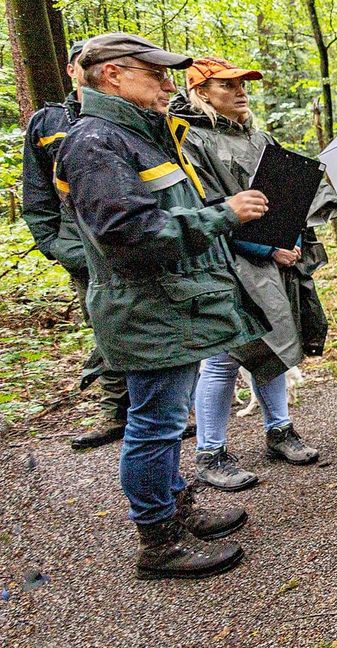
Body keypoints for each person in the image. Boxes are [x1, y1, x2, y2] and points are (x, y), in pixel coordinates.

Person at [57, 33, 268, 579]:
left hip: (173, 306)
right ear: (114, 76)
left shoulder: (144, 135)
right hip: (146, 310)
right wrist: (222, 215)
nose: (170, 84)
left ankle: (176, 509)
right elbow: (129, 233)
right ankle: (159, 541)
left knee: (170, 420)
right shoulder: (94, 142)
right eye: (157, 74)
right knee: (154, 424)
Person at [170, 57, 334, 490]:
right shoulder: (190, 141)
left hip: (270, 263)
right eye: (228, 85)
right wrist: (266, 246)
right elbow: (201, 212)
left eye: (243, 83)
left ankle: (279, 430)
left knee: (273, 342)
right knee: (224, 356)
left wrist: (294, 237)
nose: (240, 91)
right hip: (224, 263)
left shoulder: (258, 135)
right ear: (201, 92)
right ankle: (210, 451)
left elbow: (284, 196)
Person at [21, 39, 135, 451]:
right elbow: (37, 197)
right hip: (81, 250)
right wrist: (57, 246)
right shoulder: (47, 122)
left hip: (133, 243)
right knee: (106, 330)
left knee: (146, 326)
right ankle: (114, 412)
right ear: (73, 70)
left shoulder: (135, 116)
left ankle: (151, 412)